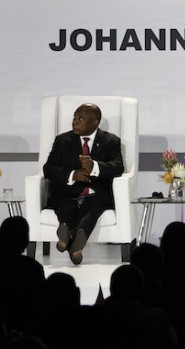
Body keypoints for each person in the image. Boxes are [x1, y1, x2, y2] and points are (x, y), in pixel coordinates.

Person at [43, 102, 124, 265]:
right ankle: (75, 244)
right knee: (65, 206)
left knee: (92, 210)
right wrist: (73, 175)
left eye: (80, 118)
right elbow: (48, 169)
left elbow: (118, 167)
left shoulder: (110, 141)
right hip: (67, 192)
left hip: (96, 194)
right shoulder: (62, 140)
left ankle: (69, 238)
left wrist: (95, 166)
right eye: (74, 117)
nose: (75, 121)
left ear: (95, 122)